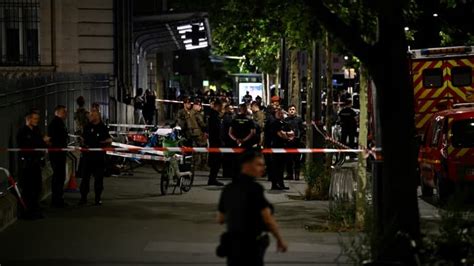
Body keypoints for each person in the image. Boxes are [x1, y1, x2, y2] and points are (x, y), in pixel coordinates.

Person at [217, 151, 288, 266]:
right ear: (246, 165)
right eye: (258, 164)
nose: (263, 168)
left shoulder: (228, 189)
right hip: (251, 246)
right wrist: (279, 240)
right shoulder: (255, 189)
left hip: (233, 246)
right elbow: (268, 219)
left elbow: (220, 219)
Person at [17, 109, 48, 219]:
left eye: (37, 119)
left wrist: (44, 143)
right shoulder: (22, 132)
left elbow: (41, 144)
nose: (37, 121)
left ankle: (35, 208)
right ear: (28, 119)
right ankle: (27, 211)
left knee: (37, 187)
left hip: (36, 163)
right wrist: (42, 141)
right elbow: (28, 146)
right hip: (27, 164)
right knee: (28, 188)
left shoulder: (36, 130)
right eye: (35, 119)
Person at [79, 109, 112, 206]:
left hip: (98, 158)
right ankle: (83, 198)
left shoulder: (103, 128)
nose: (90, 117)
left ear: (97, 116)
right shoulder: (87, 127)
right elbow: (83, 139)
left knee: (98, 179)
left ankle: (97, 198)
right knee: (85, 179)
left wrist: (104, 143)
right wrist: (82, 143)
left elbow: (108, 140)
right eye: (90, 115)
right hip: (87, 157)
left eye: (92, 115)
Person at [48, 105, 69, 208]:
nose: (66, 114)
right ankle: (57, 200)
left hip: (59, 154)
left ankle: (58, 199)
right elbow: (54, 139)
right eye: (64, 112)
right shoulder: (56, 123)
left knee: (60, 176)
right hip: (57, 155)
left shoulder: (59, 123)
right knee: (58, 176)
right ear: (58, 112)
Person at [268, 108, 292, 190]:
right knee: (276, 167)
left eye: (281, 113)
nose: (280, 114)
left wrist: (286, 134)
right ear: (275, 114)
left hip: (282, 147)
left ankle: (281, 184)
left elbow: (292, 133)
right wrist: (287, 136)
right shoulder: (275, 123)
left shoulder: (283, 123)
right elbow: (280, 134)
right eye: (278, 113)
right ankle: (274, 185)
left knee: (281, 167)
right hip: (276, 147)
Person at [284, 105, 305, 180]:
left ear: (295, 111)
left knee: (297, 160)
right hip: (288, 143)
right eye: (290, 109)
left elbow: (302, 130)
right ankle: (289, 175)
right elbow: (283, 130)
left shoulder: (299, 120)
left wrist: (297, 136)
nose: (292, 111)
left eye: (293, 109)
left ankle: (296, 175)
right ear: (288, 111)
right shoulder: (285, 120)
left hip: (297, 143)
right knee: (288, 160)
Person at [207, 99, 225, 186]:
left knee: (216, 162)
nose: (222, 108)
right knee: (216, 162)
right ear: (218, 106)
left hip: (215, 141)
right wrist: (220, 141)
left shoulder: (214, 115)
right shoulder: (214, 116)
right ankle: (212, 179)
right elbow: (216, 130)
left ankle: (212, 178)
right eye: (221, 106)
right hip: (216, 142)